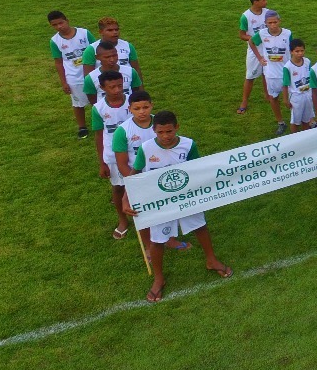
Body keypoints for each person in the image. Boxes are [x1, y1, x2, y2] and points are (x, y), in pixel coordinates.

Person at [122, 110, 232, 303]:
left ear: (177, 128)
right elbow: (134, 174)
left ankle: (211, 260)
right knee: (157, 240)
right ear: (154, 131)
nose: (165, 136)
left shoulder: (188, 145)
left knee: (200, 226)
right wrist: (125, 198)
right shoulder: (146, 148)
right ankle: (159, 278)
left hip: (186, 196)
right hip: (159, 201)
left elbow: (197, 169)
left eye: (169, 131)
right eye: (160, 132)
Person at [112, 89, 161, 248]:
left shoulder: (161, 124)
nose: (142, 112)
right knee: (141, 213)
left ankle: (170, 238)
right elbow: (122, 164)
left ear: (152, 106)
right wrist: (136, 183)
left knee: (163, 208)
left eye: (145, 107)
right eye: (137, 108)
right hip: (136, 178)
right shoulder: (122, 131)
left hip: (160, 175)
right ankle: (148, 246)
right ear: (129, 109)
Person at [90, 70, 132, 240]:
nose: (117, 90)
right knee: (118, 187)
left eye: (120, 85)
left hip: (135, 152)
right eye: (112, 87)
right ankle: (123, 220)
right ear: (102, 87)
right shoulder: (98, 108)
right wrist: (102, 163)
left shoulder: (133, 102)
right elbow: (99, 135)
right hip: (113, 155)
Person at [47, 10, 93, 138]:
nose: (59, 27)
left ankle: (103, 122)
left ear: (67, 20)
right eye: (55, 25)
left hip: (91, 73)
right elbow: (58, 62)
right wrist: (64, 82)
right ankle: (82, 127)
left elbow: (96, 50)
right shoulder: (55, 41)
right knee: (78, 103)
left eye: (61, 23)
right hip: (73, 77)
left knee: (98, 99)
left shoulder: (84, 33)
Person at [251, 10, 290, 136]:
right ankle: (281, 122)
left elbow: (293, 49)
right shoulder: (262, 34)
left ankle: (299, 119)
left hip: (287, 72)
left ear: (279, 21)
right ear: (265, 23)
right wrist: (259, 58)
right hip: (271, 74)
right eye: (270, 23)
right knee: (273, 97)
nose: (273, 25)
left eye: (275, 22)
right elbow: (251, 42)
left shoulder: (287, 33)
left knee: (295, 98)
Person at [236, 0, 268, 115]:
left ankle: (268, 95)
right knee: (250, 76)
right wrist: (254, 38)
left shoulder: (268, 13)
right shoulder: (246, 17)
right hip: (254, 51)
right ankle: (244, 101)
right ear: (255, 1)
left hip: (268, 49)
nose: (266, 2)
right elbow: (242, 35)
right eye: (263, 0)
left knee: (267, 73)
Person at [280, 38, 313, 132]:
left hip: (308, 94)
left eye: (302, 51)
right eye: (297, 51)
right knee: (295, 121)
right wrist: (285, 100)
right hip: (296, 97)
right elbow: (285, 85)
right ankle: (294, 137)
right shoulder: (288, 67)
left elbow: (311, 77)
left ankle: (305, 135)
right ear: (291, 52)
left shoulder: (307, 62)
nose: (300, 53)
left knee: (306, 119)